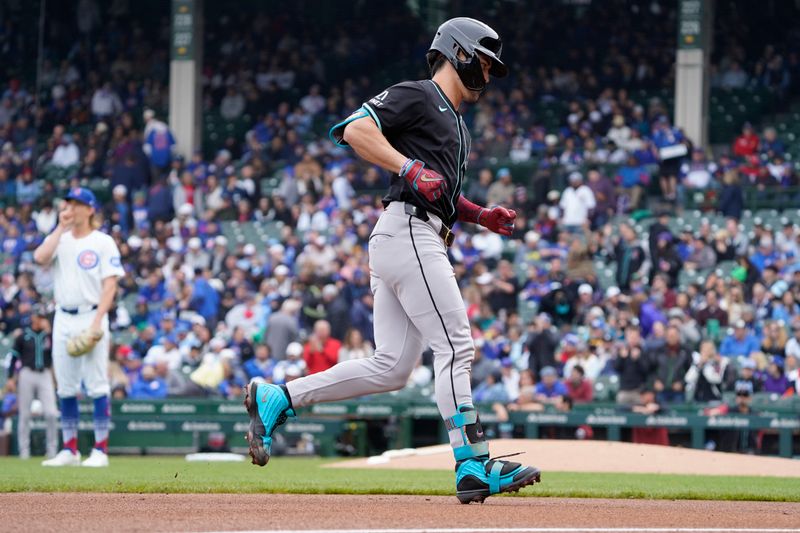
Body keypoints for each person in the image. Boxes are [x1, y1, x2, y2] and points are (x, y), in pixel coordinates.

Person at [244, 17, 540, 504]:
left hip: (411, 231)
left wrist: (479, 214)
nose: (488, 76)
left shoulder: (453, 120)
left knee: (392, 367)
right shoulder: (421, 95)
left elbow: (438, 190)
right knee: (456, 346)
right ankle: (473, 464)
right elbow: (354, 129)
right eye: (484, 64)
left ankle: (281, 397)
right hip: (409, 231)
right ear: (459, 53)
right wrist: (406, 166)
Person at [33, 188, 125, 467]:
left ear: (89, 209)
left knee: (97, 385)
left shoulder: (103, 241)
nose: (70, 208)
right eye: (68, 204)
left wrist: (97, 323)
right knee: (66, 387)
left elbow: (110, 285)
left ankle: (100, 450)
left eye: (76, 204)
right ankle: (70, 449)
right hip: (63, 316)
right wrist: (59, 227)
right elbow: (40, 257)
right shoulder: (60, 239)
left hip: (90, 314)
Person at [8, 305, 59, 459]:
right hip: (27, 373)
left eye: (43, 317)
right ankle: (24, 451)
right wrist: (10, 377)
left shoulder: (49, 336)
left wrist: (49, 333)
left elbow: (55, 354)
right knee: (25, 414)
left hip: (44, 374)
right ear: (33, 318)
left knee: (51, 413)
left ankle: (52, 450)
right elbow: (14, 358)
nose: (42, 320)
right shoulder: (23, 335)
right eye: (39, 316)